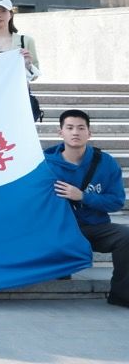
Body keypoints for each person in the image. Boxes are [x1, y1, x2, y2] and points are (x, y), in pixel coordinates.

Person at [44, 109, 129, 309]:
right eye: (70, 127)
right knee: (59, 275)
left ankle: (122, 295)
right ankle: (60, 267)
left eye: (81, 128)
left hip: (94, 228)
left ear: (89, 133)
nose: (75, 132)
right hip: (58, 230)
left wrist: (83, 196)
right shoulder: (45, 164)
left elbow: (116, 201)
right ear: (60, 132)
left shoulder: (105, 162)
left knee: (126, 236)